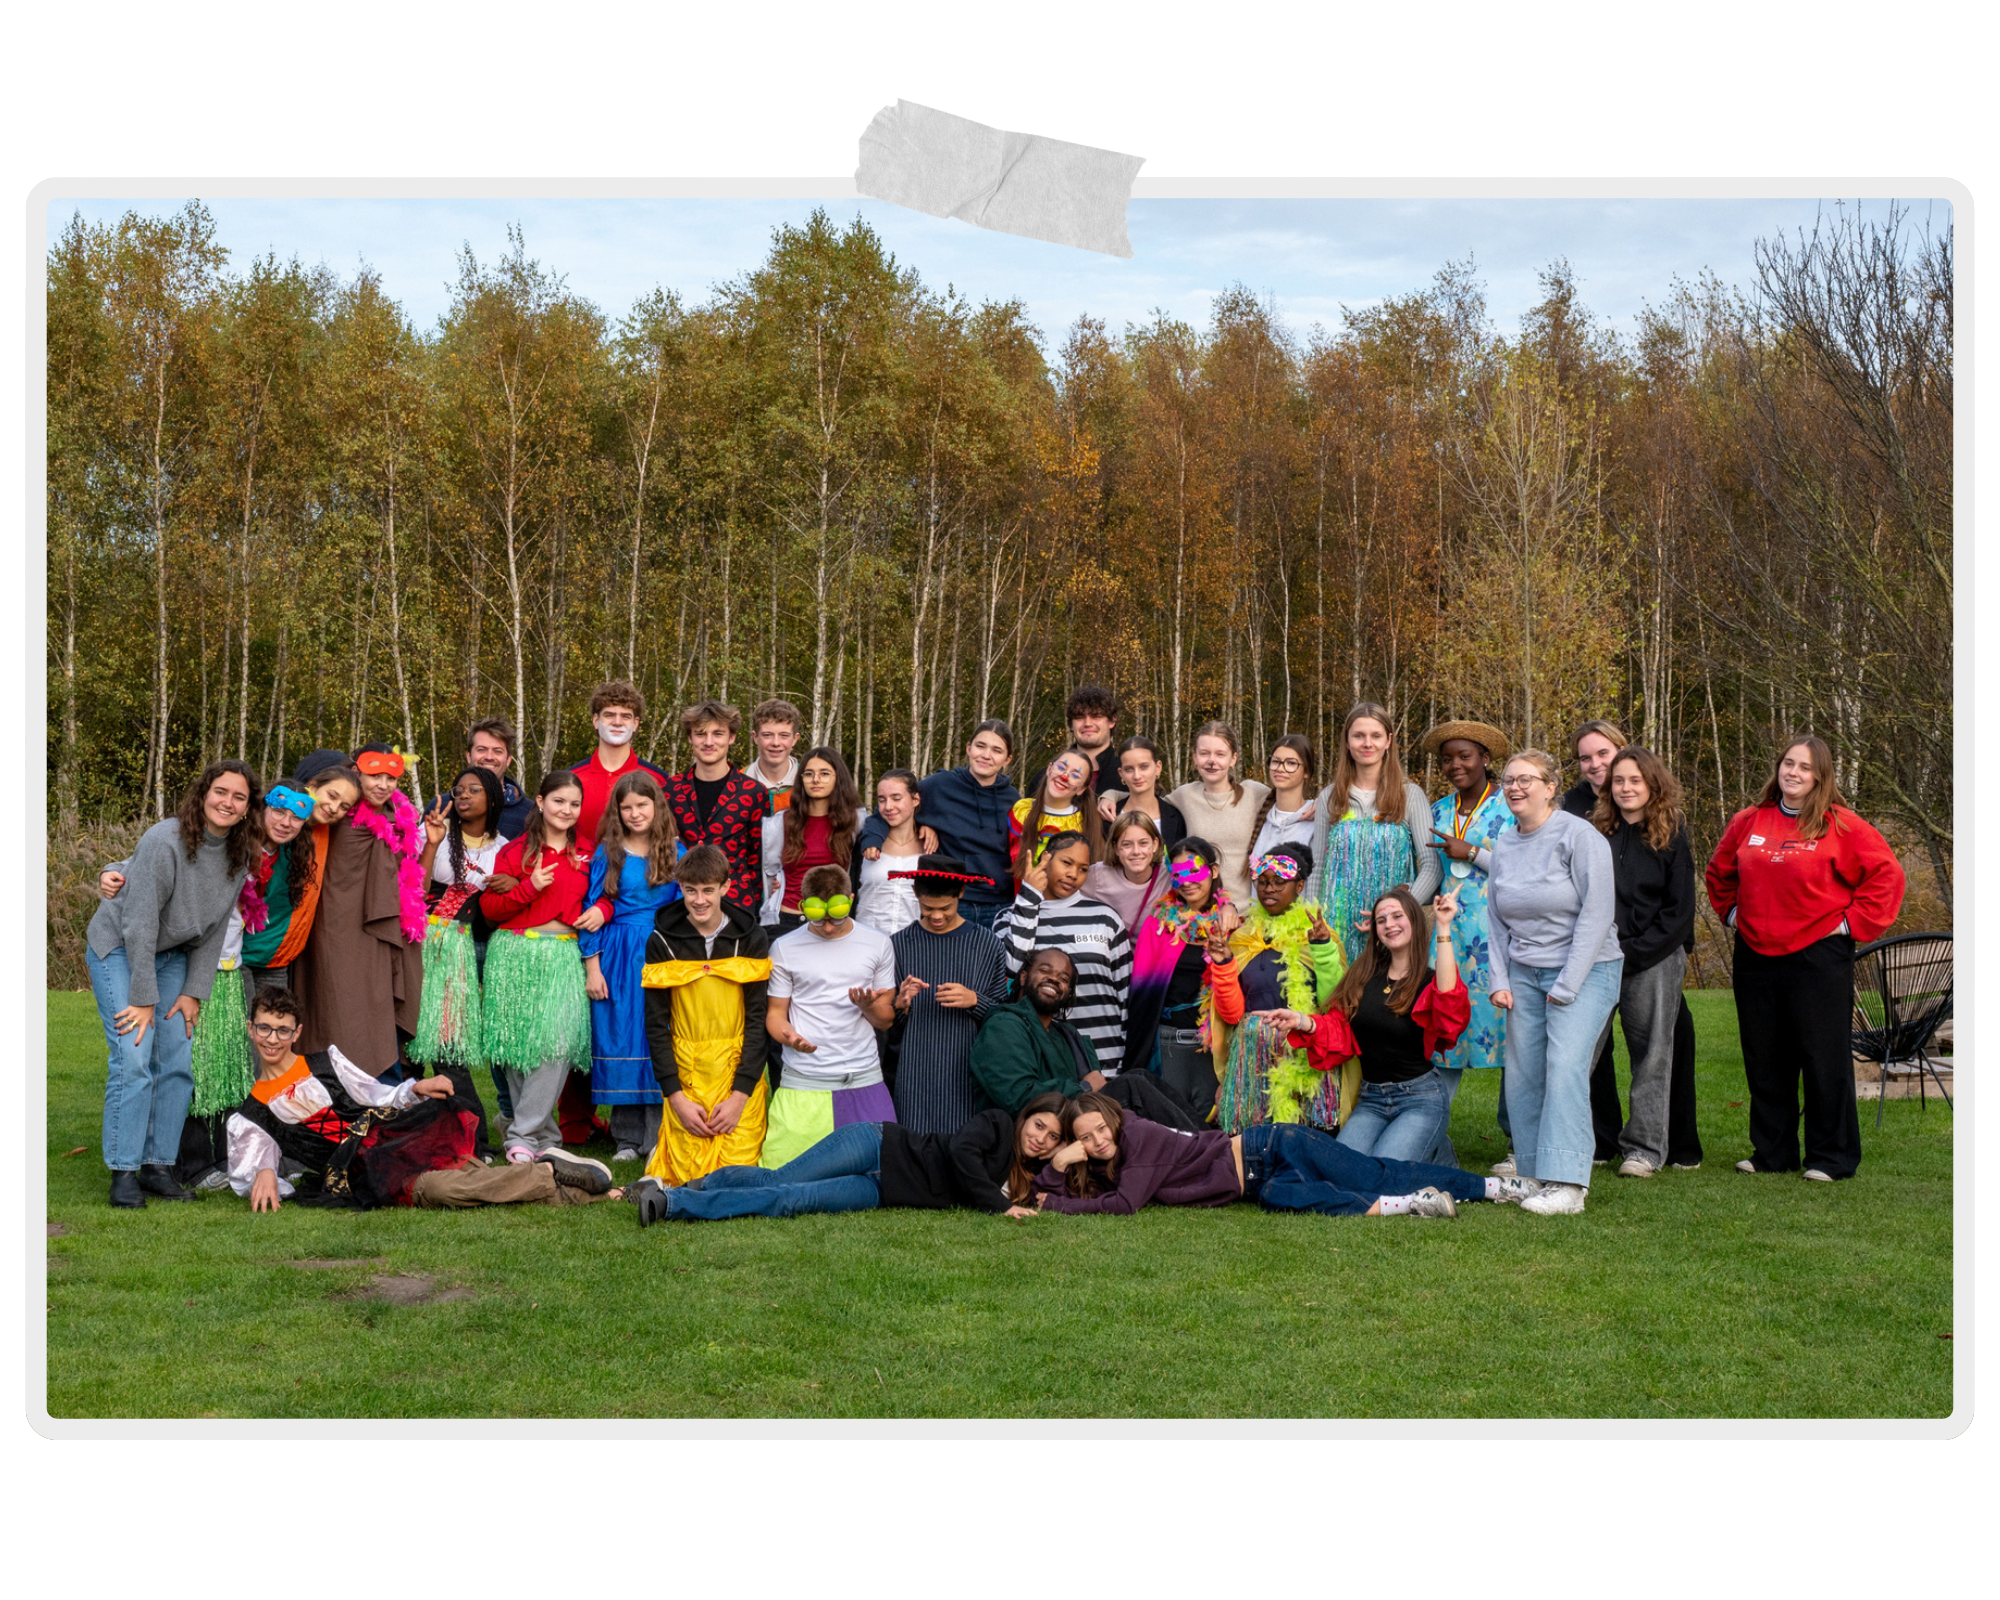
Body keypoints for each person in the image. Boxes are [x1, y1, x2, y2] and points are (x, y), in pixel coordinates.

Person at [1708, 734, 1906, 1183]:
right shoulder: (1748, 820)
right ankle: (1773, 1152)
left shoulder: (1842, 825)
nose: (1793, 772)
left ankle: (1831, 1157)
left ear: (1820, 776)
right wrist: (1733, 913)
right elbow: (1720, 872)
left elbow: (1886, 875)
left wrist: (1850, 925)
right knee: (1765, 1056)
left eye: (1804, 767)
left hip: (1817, 955)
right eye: (1788, 763)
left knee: (1823, 1056)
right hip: (1756, 953)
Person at [224, 988, 619, 1212]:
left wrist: (414, 1089)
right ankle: (556, 1176)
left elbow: (375, 1094)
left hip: (397, 1134)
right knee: (442, 1191)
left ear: (296, 1033)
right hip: (363, 1171)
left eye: (281, 1030)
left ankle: (584, 1188)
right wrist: (265, 1172)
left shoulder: (325, 1062)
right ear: (250, 1028)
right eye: (264, 1028)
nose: (271, 1039)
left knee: (470, 1175)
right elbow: (251, 1170)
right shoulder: (251, 1114)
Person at [87, 759, 261, 1208]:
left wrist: (192, 992)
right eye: (220, 791)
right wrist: (143, 998)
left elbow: (215, 926)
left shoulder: (238, 855)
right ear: (204, 794)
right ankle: (124, 1171)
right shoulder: (164, 840)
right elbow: (140, 923)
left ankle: (157, 1167)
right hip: (121, 949)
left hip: (173, 960)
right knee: (134, 1056)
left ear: (246, 809)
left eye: (238, 797)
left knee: (178, 1060)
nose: (228, 802)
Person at [1029, 1090, 1541, 1218]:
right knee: (1285, 1198)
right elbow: (1087, 1189)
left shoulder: (1137, 1138)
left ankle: (1496, 1188)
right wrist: (1055, 1172)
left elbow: (1123, 1205)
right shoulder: (1111, 1156)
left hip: (1274, 1144)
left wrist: (1056, 1191)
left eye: (1100, 1129)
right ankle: (1413, 1204)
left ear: (1114, 1118)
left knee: (1378, 1171)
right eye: (1085, 1139)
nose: (1097, 1142)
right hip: (1258, 1179)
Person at [1487, 749, 1624, 1216]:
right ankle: (1530, 1174)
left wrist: (1566, 984)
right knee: (1523, 1071)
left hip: (1587, 968)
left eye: (1527, 780)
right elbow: (1496, 918)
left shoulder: (1579, 836)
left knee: (1564, 1065)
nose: (1516, 788)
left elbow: (1598, 913)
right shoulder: (1505, 842)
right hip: (1525, 972)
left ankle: (1568, 1184)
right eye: (1508, 780)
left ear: (1550, 787)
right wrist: (1500, 979)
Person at [1563, 718, 1703, 1171]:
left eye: (1634, 780)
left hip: (1653, 959)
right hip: (1598, 957)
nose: (1624, 788)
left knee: (1653, 1055)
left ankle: (1643, 1150)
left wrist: (1638, 953)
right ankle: (1570, 1141)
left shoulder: (1671, 830)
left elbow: (1679, 910)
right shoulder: (1594, 829)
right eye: (1618, 781)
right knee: (1578, 1051)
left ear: (1652, 783)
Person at [630, 1094, 1067, 1224]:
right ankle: (691, 1188)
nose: (1042, 1139)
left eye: (1053, 1138)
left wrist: (1068, 1157)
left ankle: (672, 1202)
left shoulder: (1032, 1177)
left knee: (787, 1199)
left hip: (882, 1191)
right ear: (1026, 1118)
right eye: (1039, 1125)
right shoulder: (995, 1123)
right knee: (780, 1177)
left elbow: (1077, 1192)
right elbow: (961, 1155)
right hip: (877, 1144)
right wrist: (999, 1204)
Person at [1294, 886, 1472, 1161]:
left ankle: (1436, 1152)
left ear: (1413, 920)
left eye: (1397, 916)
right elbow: (1339, 1027)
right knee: (1339, 1171)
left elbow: (1450, 1005)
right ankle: (1432, 1148)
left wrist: (1443, 925)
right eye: (1381, 920)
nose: (1389, 924)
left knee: (1381, 1175)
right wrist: (1304, 1022)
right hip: (1372, 1100)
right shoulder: (1364, 975)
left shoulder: (1429, 981)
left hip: (1420, 1099)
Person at [640, 844, 774, 1185]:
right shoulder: (661, 942)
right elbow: (656, 1025)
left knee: (739, 1179)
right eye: (691, 891)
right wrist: (676, 1097)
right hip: (688, 1072)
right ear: (680, 888)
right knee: (684, 1177)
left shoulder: (752, 938)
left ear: (725, 888)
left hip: (737, 1070)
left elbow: (758, 1019)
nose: (699, 900)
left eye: (708, 891)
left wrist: (740, 1095)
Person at [478, 770, 595, 1161]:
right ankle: (544, 1140)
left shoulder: (589, 853)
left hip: (562, 953)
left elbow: (610, 894)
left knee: (555, 1045)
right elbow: (490, 910)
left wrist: (603, 908)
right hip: (513, 952)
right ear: (541, 802)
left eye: (574, 804)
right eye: (559, 801)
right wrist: (531, 886)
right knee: (516, 1049)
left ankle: (520, 1136)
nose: (567, 809)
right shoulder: (515, 853)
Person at [293, 744, 427, 1082]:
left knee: (378, 1009)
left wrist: (434, 843)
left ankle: (385, 1098)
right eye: (374, 775)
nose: (382, 784)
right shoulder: (336, 816)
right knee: (340, 1008)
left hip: (382, 931)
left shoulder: (398, 817)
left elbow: (410, 878)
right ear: (357, 771)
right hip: (336, 930)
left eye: (390, 777)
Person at [1416, 719, 1516, 1164]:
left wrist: (1472, 852)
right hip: (1449, 942)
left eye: (1465, 756)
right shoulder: (1437, 810)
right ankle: (1428, 1135)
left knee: (1516, 1043)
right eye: (1447, 759)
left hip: (1502, 940)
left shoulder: (1511, 808)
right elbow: (1427, 871)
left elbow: (1527, 872)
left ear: (1486, 759)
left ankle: (1519, 1143)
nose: (1455, 765)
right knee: (1443, 1034)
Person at [762, 863, 899, 1167]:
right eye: (818, 919)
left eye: (836, 917)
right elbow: (775, 1014)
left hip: (863, 1078)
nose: (826, 927)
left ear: (850, 899)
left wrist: (867, 1007)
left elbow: (886, 1019)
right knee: (781, 1175)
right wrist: (789, 1036)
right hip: (804, 1082)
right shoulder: (784, 947)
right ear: (802, 907)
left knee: (884, 1173)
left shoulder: (877, 943)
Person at [579, 771, 682, 1163]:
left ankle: (656, 1136)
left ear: (656, 807)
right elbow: (592, 908)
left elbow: (686, 908)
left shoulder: (676, 850)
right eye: (627, 807)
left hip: (661, 951)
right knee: (619, 1036)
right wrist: (592, 967)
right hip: (617, 952)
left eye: (642, 805)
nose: (635, 813)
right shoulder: (609, 853)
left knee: (658, 1037)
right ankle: (625, 1138)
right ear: (617, 812)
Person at [1210, 844, 1348, 1133]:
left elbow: (1333, 1001)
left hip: (1303, 1053)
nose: (1269, 889)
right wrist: (1223, 965)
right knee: (1253, 1138)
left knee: (1309, 1137)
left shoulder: (1318, 933)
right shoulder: (1242, 937)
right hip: (1253, 1056)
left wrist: (1322, 949)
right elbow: (1232, 1014)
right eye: (1262, 882)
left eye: (1279, 882)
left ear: (1299, 886)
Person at [884, 856, 1010, 1134]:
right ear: (915, 894)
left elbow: (1004, 1020)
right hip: (914, 1077)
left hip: (967, 1076)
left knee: (961, 1155)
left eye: (946, 908)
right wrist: (900, 1005)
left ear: (961, 893)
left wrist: (976, 1001)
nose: (937, 916)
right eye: (928, 908)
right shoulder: (898, 945)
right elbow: (887, 1027)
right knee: (914, 1153)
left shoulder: (988, 944)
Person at [1310, 703, 1441, 964]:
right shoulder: (1330, 797)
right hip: (1337, 929)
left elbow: (1431, 866)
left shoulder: (1410, 795)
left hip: (1393, 934)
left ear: (1388, 741)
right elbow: (1317, 866)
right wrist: (1313, 920)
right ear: (1347, 742)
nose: (1367, 743)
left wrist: (1398, 912)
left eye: (1376, 736)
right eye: (1358, 736)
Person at [999, 831, 1132, 1075]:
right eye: (1067, 863)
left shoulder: (1106, 918)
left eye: (1083, 869)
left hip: (1106, 1058)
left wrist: (1127, 1055)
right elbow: (1012, 972)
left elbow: (1126, 994)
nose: (1074, 874)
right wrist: (1029, 900)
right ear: (1046, 858)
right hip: (1040, 1060)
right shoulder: (1009, 917)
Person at [1124, 837, 1240, 1118]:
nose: (1186, 881)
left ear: (1213, 871)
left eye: (1193, 871)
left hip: (1212, 1050)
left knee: (1211, 1127)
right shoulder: (1160, 923)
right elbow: (1143, 994)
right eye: (1178, 874)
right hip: (1167, 1045)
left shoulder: (1231, 925)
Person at [410, 766, 510, 1081]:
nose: (463, 794)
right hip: (418, 938)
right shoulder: (431, 830)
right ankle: (398, 1113)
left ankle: (460, 1120)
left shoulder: (503, 848)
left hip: (459, 947)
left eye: (474, 789)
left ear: (493, 799)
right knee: (408, 1028)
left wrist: (510, 883)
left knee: (447, 1036)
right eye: (459, 789)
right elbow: (415, 889)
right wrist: (431, 843)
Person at [237, 758, 362, 995]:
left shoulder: (306, 842)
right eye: (332, 796)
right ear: (312, 787)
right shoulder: (247, 841)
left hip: (276, 958)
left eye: (345, 806)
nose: (335, 808)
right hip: (236, 954)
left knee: (269, 1026)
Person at [914, 720, 1023, 931]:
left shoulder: (1013, 799)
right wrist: (920, 824)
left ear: (1007, 759)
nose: (986, 755)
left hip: (1000, 904)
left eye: (996, 750)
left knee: (994, 964)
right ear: (968, 748)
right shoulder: (938, 786)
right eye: (980, 746)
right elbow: (893, 808)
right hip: (953, 902)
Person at [664, 700, 771, 912]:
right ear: (690, 737)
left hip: (736, 905)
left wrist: (754, 905)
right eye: (701, 734)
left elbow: (758, 858)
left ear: (731, 738)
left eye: (718, 734)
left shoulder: (753, 792)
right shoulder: (670, 790)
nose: (709, 742)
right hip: (682, 904)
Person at [1166, 721, 1270, 908]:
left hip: (1247, 914)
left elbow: (1290, 800)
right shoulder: (1185, 795)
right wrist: (1111, 795)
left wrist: (1314, 806)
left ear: (1233, 758)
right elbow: (1146, 802)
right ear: (1194, 757)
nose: (1211, 761)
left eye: (1220, 754)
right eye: (1204, 753)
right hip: (1202, 914)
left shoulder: (1254, 793)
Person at [567, 679, 671, 843]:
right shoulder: (571, 779)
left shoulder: (659, 780)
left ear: (635, 723)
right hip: (581, 867)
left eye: (625, 716)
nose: (617, 722)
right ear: (596, 720)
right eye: (609, 715)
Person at [776, 747, 865, 934]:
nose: (815, 780)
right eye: (809, 774)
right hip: (788, 918)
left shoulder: (856, 822)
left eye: (824, 774)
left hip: (834, 921)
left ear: (837, 778)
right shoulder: (781, 822)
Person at [1009, 746, 1104, 883]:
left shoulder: (1084, 823)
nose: (1064, 777)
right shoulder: (1021, 811)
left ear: (1082, 788)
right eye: (1061, 768)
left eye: (1075, 775)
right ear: (1049, 769)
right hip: (1018, 900)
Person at [427, 716, 532, 839]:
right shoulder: (442, 806)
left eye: (497, 751)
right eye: (481, 749)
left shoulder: (529, 812)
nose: (489, 757)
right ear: (469, 756)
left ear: (508, 760)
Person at [748, 697, 802, 925]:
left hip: (798, 899)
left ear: (795, 739)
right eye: (768, 735)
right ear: (755, 737)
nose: (776, 743)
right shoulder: (739, 786)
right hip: (751, 894)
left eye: (784, 735)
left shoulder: (809, 785)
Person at [855, 768, 927, 937]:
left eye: (896, 798)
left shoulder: (931, 847)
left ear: (915, 799)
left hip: (913, 946)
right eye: (882, 800)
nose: (888, 806)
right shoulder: (865, 843)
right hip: (867, 944)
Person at [1094, 735, 1188, 850]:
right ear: (1121, 773)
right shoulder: (1108, 815)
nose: (1137, 776)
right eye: (1129, 769)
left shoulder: (1176, 817)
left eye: (1144, 767)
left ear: (1158, 767)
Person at [1084, 811, 1169, 934]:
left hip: (1157, 952)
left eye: (1143, 843)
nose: (1136, 851)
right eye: (1126, 844)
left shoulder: (1169, 873)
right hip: (1115, 951)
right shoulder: (1097, 875)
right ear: (1115, 848)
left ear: (1155, 844)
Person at [1038, 682, 1120, 798]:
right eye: (1080, 717)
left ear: (1112, 721)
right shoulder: (1045, 778)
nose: (1087, 724)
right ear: (1071, 724)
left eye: (1096, 716)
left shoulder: (1127, 778)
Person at [1249, 735, 1319, 861]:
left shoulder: (1317, 819)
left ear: (1306, 772)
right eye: (1276, 761)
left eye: (1291, 763)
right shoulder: (1257, 815)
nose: (1280, 769)